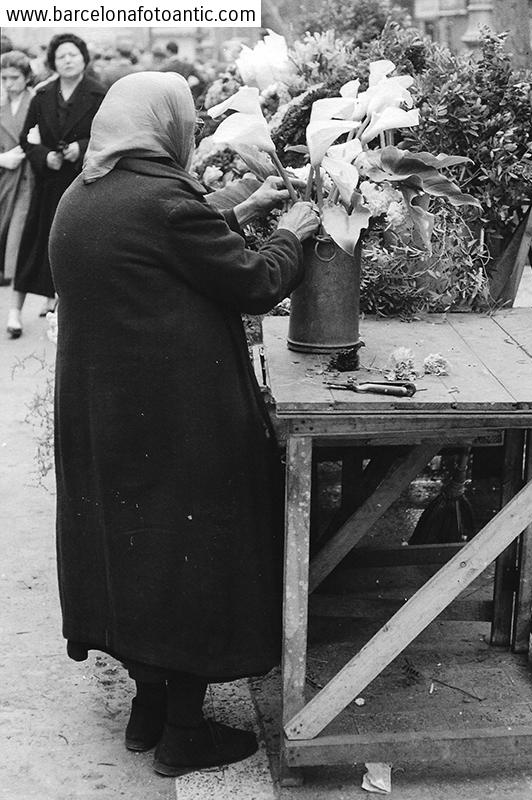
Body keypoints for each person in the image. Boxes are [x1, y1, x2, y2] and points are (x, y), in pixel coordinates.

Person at [48, 71, 319, 777]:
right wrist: (288, 232)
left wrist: (244, 206)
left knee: (137, 559)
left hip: (107, 419)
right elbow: (254, 282)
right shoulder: (164, 201)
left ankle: (148, 711)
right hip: (179, 421)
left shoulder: (86, 194)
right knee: (191, 562)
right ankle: (183, 733)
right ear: (162, 124)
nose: (192, 129)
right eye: (187, 119)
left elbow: (167, 249)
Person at [6, 33, 105, 338]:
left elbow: (108, 134)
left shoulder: (98, 94)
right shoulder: (43, 95)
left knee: (71, 248)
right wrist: (43, 155)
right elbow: (26, 137)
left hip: (80, 183)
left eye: (73, 54)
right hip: (47, 183)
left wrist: (82, 146)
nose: (67, 60)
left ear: (84, 58)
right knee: (33, 244)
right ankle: (15, 312)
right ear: (52, 62)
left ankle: (63, 312)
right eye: (61, 55)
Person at [0, 51, 34, 288]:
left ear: (26, 77)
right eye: (4, 78)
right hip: (4, 172)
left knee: (18, 229)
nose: (9, 84)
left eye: (14, 77)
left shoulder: (36, 101)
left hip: (27, 176)